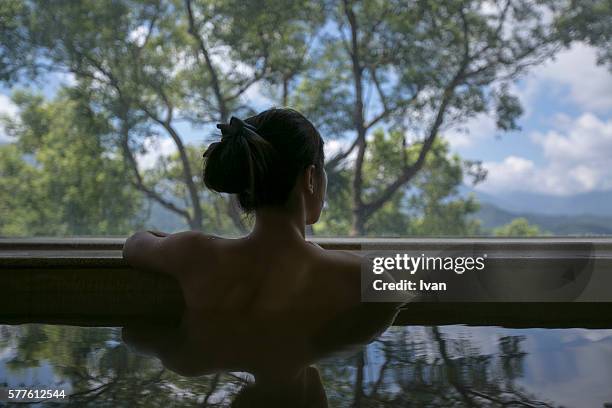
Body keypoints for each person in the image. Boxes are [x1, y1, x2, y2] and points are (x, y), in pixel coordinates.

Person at [122, 107, 403, 406]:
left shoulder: (195, 257)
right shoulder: (358, 276)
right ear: (310, 177)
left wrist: (180, 242)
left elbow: (134, 248)